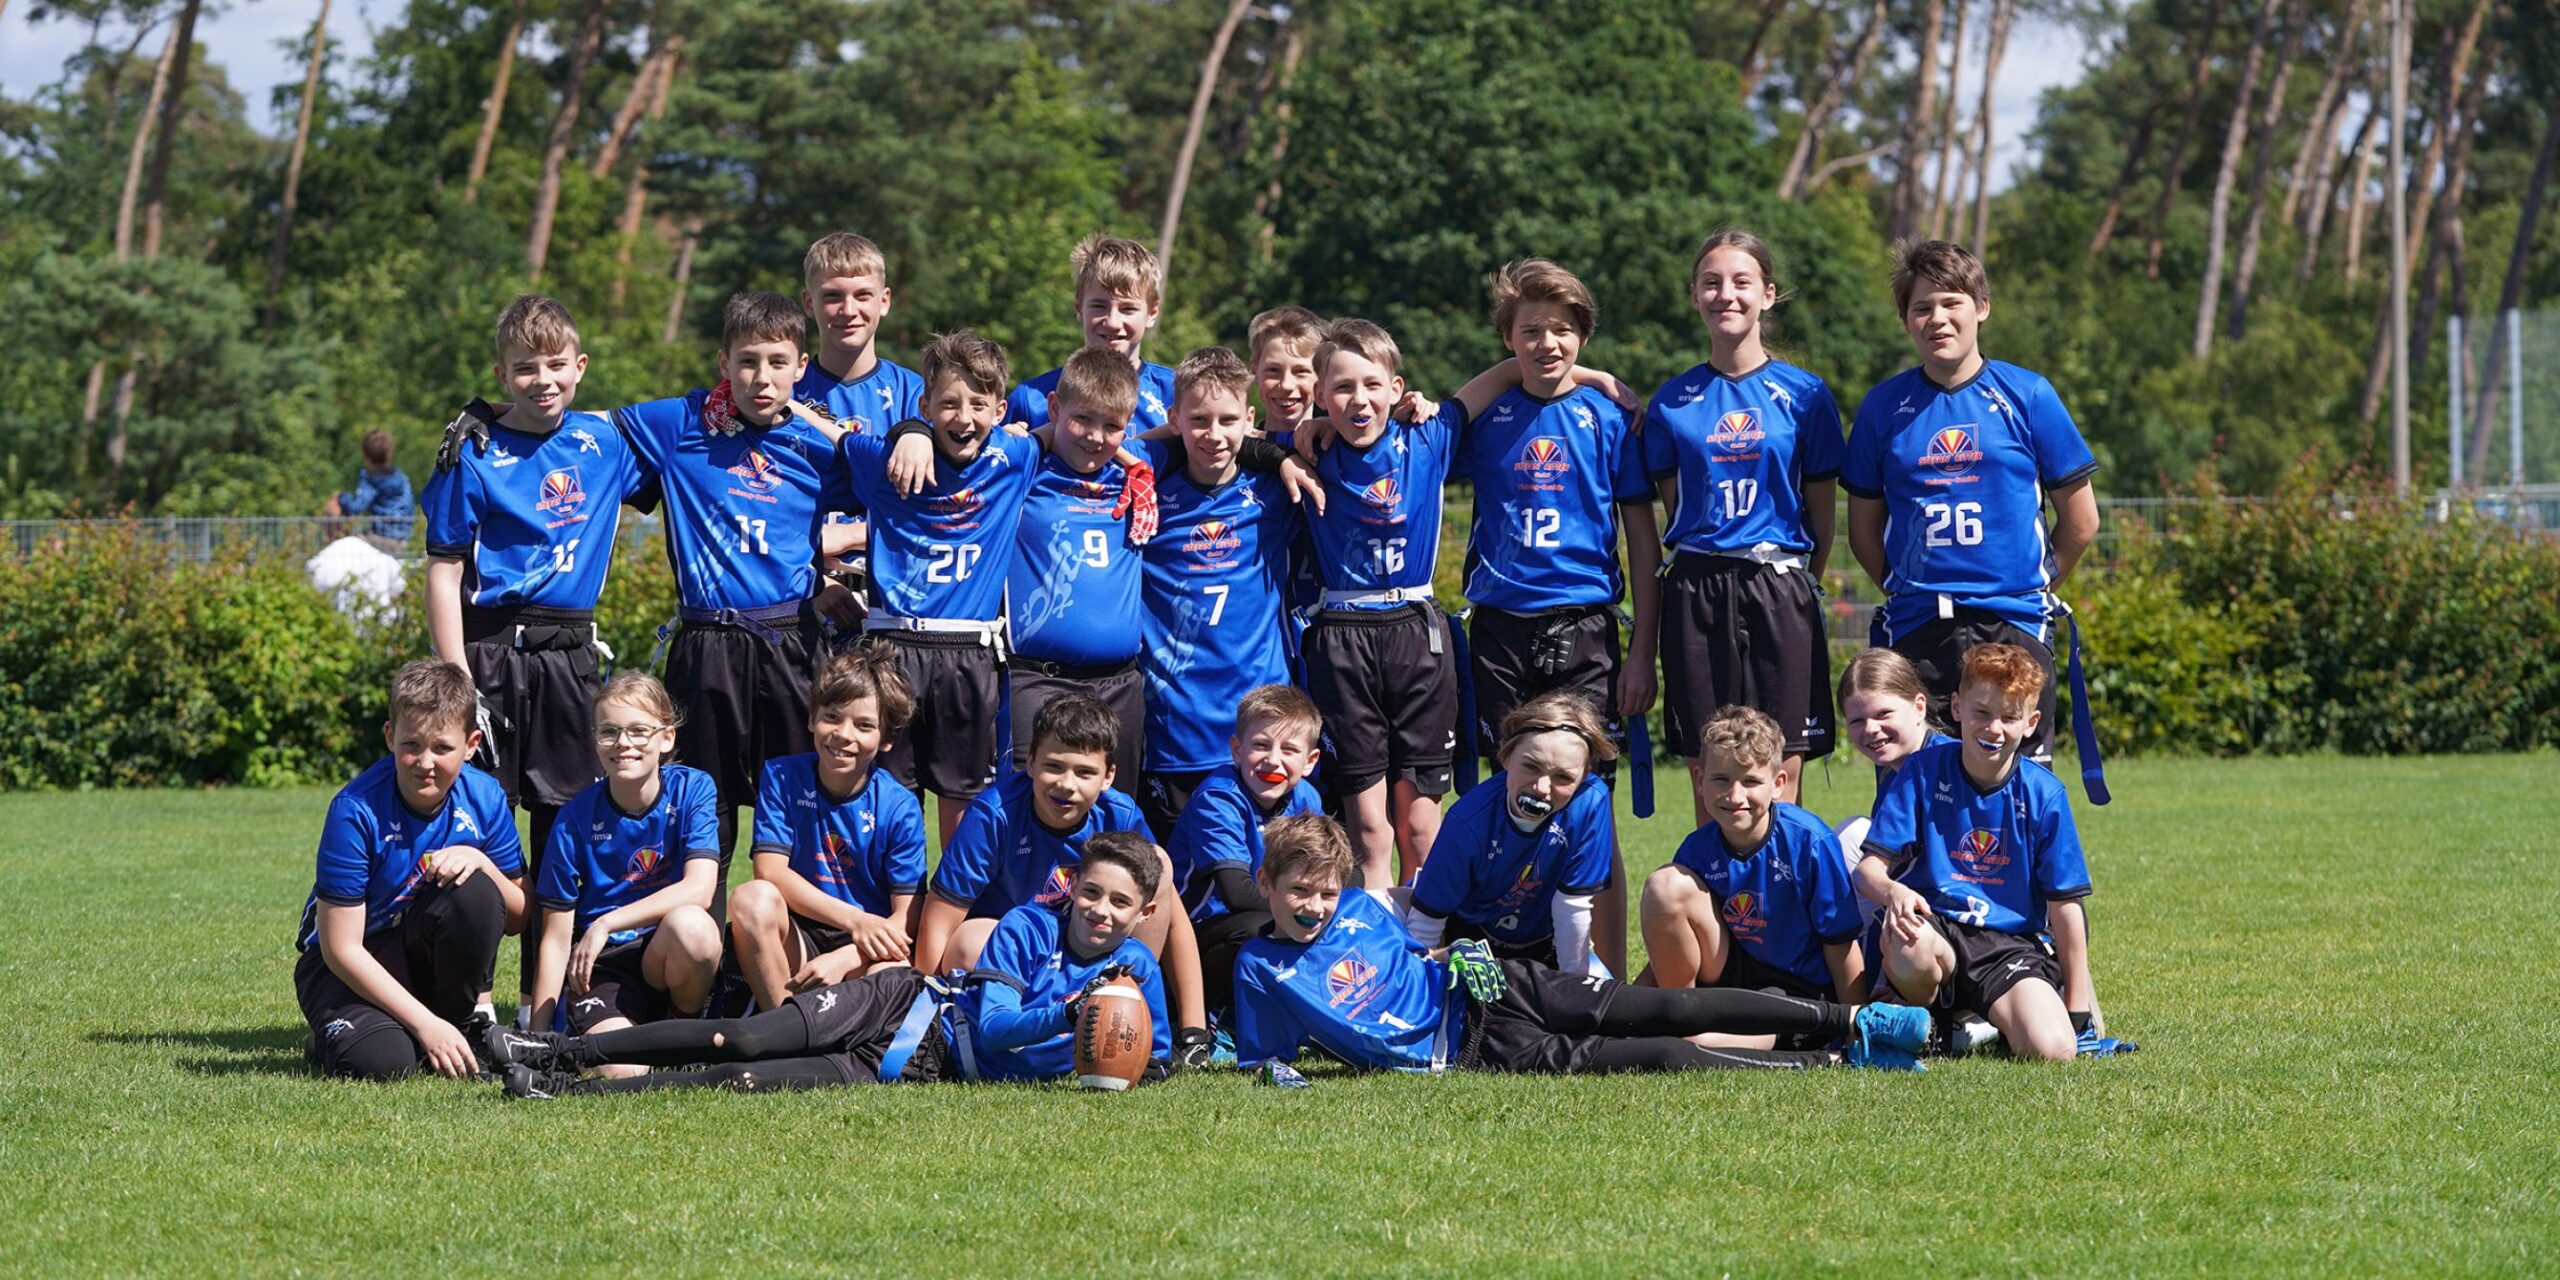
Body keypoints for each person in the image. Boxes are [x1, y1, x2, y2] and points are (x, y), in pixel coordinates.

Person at [1231, 815, 1929, 1075]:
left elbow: (1414, 961)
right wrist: (1270, 1072)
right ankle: (1839, 1065)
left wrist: (1457, 955)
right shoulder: (1260, 967)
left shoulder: (1359, 906)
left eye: (1325, 891)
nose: (1315, 906)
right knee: (1656, 1056)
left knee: (1666, 1008)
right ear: (1266, 883)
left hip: (1497, 983)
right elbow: (1271, 1058)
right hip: (1473, 1049)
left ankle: (1858, 1022)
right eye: (1299, 892)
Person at [489, 834, 1173, 1096]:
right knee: (748, 1034)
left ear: (1143, 914)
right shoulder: (1028, 926)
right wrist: (1072, 1014)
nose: (1100, 911)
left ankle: (561, 1092)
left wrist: (1116, 1057)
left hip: (913, 1067)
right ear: (1072, 887)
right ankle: (555, 1048)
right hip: (907, 1005)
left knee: (744, 1078)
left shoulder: (1137, 968)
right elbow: (993, 1030)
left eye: (1119, 902)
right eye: (1091, 892)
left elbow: (1155, 1052)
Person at [423, 293, 652, 1022]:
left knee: (562, 832)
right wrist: (455, 673)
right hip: (490, 653)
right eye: (525, 368)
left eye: (557, 365)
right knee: (477, 823)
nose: (543, 380)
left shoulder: (606, 442)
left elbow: (705, 424)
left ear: (580, 368)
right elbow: (442, 568)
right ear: (501, 373)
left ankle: (543, 1005)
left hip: (570, 659)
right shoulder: (475, 450)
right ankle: (470, 1004)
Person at [612, 291, 856, 913]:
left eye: (778, 361)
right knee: (705, 810)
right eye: (747, 361)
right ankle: (705, 962)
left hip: (791, 642)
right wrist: (498, 411)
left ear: (802, 367)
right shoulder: (681, 424)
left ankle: (785, 954)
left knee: (796, 809)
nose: (761, 377)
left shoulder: (823, 446)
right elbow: (574, 428)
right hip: (707, 643)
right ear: (724, 362)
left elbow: (902, 487)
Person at [1842, 239, 2101, 763]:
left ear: (1980, 308)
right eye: (1922, 307)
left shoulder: (2027, 396)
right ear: (1906, 320)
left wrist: (2030, 589)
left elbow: (2081, 520)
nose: (1937, 318)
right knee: (1914, 797)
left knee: (2016, 795)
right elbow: (1864, 532)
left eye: (1951, 302)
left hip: (2012, 623)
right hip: (1919, 628)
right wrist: (1904, 589)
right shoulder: (1883, 407)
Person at [1641, 229, 1845, 811]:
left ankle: (1784, 895)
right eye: (1711, 283)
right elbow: (1673, 507)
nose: (1725, 294)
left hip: (1778, 586)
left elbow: (1821, 515)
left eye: (1740, 282)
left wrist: (1802, 582)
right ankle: (1711, 900)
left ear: (1768, 294)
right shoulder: (1672, 401)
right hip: (1698, 589)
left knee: (1781, 765)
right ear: (1694, 296)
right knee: (1708, 765)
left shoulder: (1805, 396)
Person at [844, 329, 1043, 841]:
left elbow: (1087, 429)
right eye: (949, 404)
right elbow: (819, 430)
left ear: (1000, 410)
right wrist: (907, 431)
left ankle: (949, 921)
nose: (964, 417)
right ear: (926, 404)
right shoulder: (881, 460)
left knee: (962, 808)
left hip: (968, 654)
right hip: (893, 649)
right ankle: (891, 915)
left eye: (979, 404)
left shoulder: (1015, 459)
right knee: (888, 807)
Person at [1855, 643, 2097, 1061]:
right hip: (1936, 928)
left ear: (2031, 723)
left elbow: (2066, 906)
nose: (1993, 729)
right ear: (1956, 707)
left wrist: (2078, 1005)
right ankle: (1938, 1012)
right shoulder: (1921, 772)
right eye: (1981, 713)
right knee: (1907, 946)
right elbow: (1868, 871)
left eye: (2009, 717)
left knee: (2054, 1051)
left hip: (2007, 945)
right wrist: (1893, 892)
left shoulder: (2045, 795)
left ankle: (1966, 1028)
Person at [294, 660, 526, 1080]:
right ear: (389, 736)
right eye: (411, 745)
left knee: (475, 891)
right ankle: (338, 1035)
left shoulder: (486, 796)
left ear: (472, 744)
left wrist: (482, 863)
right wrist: (424, 1024)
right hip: (348, 964)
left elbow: (519, 915)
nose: (424, 762)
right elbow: (340, 948)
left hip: (418, 948)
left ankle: (451, 1022)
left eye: (442, 747)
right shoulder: (354, 809)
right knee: (385, 1065)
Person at [1293, 319, 1459, 890]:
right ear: (1319, 396)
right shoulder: (1310, 452)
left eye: (1371, 384)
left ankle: (1427, 954)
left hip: (1417, 633)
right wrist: (1288, 445)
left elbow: (1513, 369)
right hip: (1342, 633)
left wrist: (1601, 377)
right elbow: (1236, 439)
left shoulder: (1428, 436)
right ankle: (1379, 952)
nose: (1358, 400)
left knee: (1419, 826)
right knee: (1369, 830)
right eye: (1341, 388)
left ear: (1396, 387)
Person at [1134, 347, 1309, 841]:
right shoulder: (1148, 490)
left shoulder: (1276, 487)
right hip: (1178, 723)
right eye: (1198, 420)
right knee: (1181, 874)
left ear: (1249, 420)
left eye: (1228, 420)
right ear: (1174, 421)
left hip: (1262, 721)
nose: (1214, 434)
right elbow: (1105, 449)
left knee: (1269, 874)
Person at [1638, 707, 1866, 1052]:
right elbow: (1674, 939)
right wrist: (1624, 1007)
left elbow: (1841, 947)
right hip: (1733, 974)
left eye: (1750, 781)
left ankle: (1688, 1035)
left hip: (1798, 991)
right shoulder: (1697, 849)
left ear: (1778, 784)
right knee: (1665, 886)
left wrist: (1854, 1030)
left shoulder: (1810, 842)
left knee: (1695, 1045)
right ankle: (1679, 1013)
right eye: (1721, 780)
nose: (1735, 796)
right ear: (1700, 780)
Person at [523, 673, 722, 1065]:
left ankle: (684, 1034)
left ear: (666, 738)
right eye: (609, 732)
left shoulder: (694, 789)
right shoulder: (573, 817)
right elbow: (556, 937)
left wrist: (605, 923)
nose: (623, 744)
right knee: (623, 1074)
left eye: (638, 731)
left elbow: (700, 890)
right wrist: (538, 1038)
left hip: (665, 952)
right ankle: (618, 1034)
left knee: (694, 927)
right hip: (605, 966)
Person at [728, 649, 928, 1013]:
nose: (843, 735)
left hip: (865, 948)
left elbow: (906, 917)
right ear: (811, 720)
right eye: (831, 718)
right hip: (800, 934)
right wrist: (855, 919)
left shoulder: (899, 805)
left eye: (864, 725)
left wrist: (848, 956)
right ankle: (777, 1028)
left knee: (893, 972)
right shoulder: (782, 776)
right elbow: (769, 871)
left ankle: (839, 1041)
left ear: (887, 740)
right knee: (750, 899)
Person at [1002, 347, 1153, 784]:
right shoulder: (1022, 469)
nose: (1095, 436)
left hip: (1119, 685)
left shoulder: (1138, 474)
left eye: (1112, 426)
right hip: (1038, 680)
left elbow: (1198, 439)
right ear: (1053, 408)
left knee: (1113, 817)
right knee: (1027, 812)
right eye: (1082, 419)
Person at [1403, 693, 1617, 975]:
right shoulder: (1467, 820)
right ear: (1505, 756)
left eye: (1563, 777)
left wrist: (1572, 992)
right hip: (1470, 940)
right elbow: (1426, 923)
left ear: (1584, 775)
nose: (1542, 787)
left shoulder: (1591, 802)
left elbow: (1572, 907)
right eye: (1531, 766)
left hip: (1545, 941)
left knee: (1601, 999)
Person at [1168, 684, 1326, 1017]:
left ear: (1310, 761)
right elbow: (1237, 893)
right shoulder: (1218, 799)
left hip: (1270, 908)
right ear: (1237, 750)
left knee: (1335, 912)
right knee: (1262, 927)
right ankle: (1221, 1014)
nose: (1273, 760)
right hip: (1198, 933)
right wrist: (1307, 905)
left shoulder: (1307, 798)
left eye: (1289, 749)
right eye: (1260, 745)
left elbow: (1337, 873)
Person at [1007, 233, 1178, 433]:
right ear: (1079, 308)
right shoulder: (1031, 401)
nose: (1113, 322)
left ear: (1152, 313)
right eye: (1099, 306)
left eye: (1127, 309)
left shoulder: (1177, 395)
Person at [324, 428, 416, 548]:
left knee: (334, 504)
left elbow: (356, 507)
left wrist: (341, 497)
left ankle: (330, 545)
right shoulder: (401, 478)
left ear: (365, 455)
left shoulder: (371, 479)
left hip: (382, 537)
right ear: (389, 453)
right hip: (404, 537)